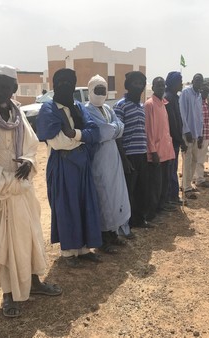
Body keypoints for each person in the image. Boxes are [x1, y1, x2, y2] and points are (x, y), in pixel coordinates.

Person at [0, 65, 62, 318]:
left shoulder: (19, 116)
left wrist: (29, 162)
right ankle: (9, 295)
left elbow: (32, 146)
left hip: (22, 194)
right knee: (3, 246)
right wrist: (9, 181)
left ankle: (34, 283)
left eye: (4, 86)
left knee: (30, 239)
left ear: (14, 89)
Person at [36, 68, 103, 268]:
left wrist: (74, 134)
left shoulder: (79, 108)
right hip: (63, 166)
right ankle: (68, 253)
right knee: (66, 206)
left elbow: (95, 133)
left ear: (74, 85)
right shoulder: (48, 109)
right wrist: (82, 138)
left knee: (85, 204)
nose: (65, 85)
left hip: (82, 166)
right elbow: (57, 142)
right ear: (54, 85)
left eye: (69, 82)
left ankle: (83, 249)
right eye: (61, 82)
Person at [85, 74, 132, 252]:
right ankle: (103, 239)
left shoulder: (107, 108)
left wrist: (112, 129)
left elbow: (121, 127)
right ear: (90, 90)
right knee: (103, 197)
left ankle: (113, 234)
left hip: (113, 157)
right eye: (97, 89)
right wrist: (114, 129)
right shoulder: (87, 110)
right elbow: (101, 132)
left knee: (115, 196)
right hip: (99, 159)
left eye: (103, 89)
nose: (101, 93)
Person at [114, 71, 151, 228]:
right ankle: (127, 223)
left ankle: (140, 220)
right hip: (128, 155)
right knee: (128, 191)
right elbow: (117, 135)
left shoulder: (141, 106)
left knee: (142, 190)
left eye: (141, 83)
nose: (139, 86)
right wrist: (124, 159)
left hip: (141, 154)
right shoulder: (120, 105)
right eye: (135, 83)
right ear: (128, 85)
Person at [144, 76, 176, 221]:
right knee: (155, 185)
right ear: (153, 87)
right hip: (156, 152)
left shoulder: (163, 104)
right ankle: (152, 213)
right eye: (158, 85)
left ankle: (161, 206)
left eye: (163, 85)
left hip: (166, 150)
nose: (161, 88)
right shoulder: (149, 104)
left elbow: (166, 129)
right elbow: (148, 130)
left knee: (164, 182)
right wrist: (153, 151)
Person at [179, 73, 204, 199]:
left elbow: (199, 117)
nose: (199, 82)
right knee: (187, 160)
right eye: (197, 80)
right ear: (193, 80)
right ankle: (186, 188)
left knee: (194, 160)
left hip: (196, 134)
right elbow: (182, 112)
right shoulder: (186, 93)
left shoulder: (199, 95)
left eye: (201, 81)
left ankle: (187, 184)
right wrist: (186, 130)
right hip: (187, 133)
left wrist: (200, 135)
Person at [164, 71, 186, 205]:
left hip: (175, 140)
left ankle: (173, 196)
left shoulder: (174, 97)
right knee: (171, 170)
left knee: (173, 170)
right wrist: (180, 139)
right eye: (179, 81)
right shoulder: (169, 98)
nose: (181, 84)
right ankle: (171, 197)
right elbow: (172, 123)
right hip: (172, 140)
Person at [194, 84, 209, 188]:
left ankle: (196, 176)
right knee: (199, 159)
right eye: (204, 92)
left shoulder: (205, 103)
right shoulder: (197, 104)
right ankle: (199, 179)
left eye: (207, 92)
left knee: (200, 158)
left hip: (206, 134)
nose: (205, 94)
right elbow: (198, 121)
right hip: (201, 135)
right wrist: (199, 136)